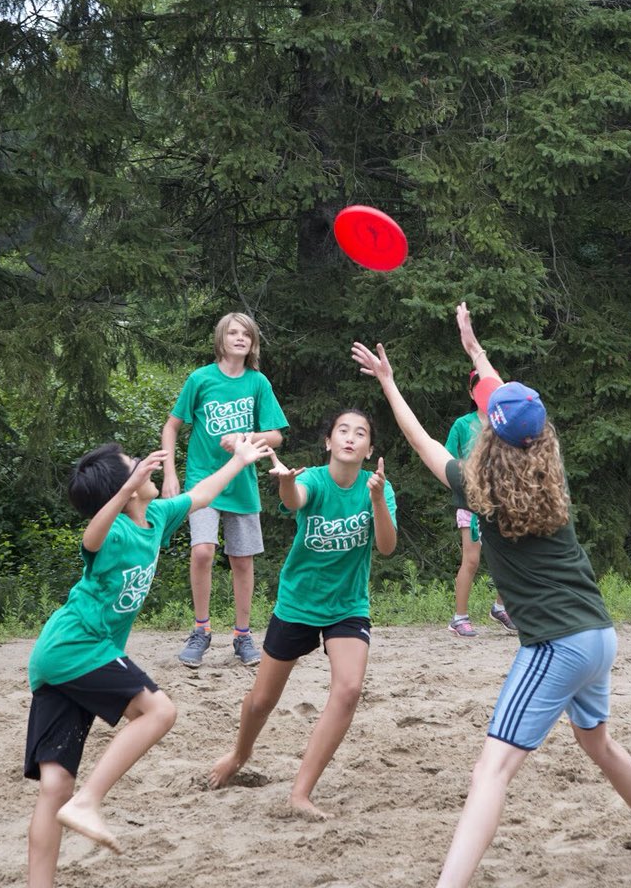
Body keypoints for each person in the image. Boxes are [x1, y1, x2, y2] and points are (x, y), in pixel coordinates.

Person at [352, 305, 631, 885]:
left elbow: (421, 439)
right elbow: (505, 401)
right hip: (599, 634)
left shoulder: (477, 486)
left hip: (556, 646)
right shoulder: (550, 471)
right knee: (602, 747)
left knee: (490, 771)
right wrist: (474, 349)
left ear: (490, 431)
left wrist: (388, 382)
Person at [25, 435, 272, 886]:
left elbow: (203, 494)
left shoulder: (155, 516)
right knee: (159, 711)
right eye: (136, 466)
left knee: (55, 785)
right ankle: (89, 802)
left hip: (61, 659)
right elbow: (91, 535)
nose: (147, 468)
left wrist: (238, 460)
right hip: (77, 648)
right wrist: (123, 491)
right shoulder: (113, 529)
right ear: (124, 487)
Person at [208, 409, 397, 819]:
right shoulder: (312, 478)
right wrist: (288, 483)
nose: (350, 437)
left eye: (360, 433)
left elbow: (385, 547)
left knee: (348, 691)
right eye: (342, 430)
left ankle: (300, 792)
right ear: (328, 442)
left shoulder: (377, 487)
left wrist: (379, 499)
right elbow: (296, 500)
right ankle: (240, 754)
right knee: (261, 701)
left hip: (347, 606)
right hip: (298, 603)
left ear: (369, 448)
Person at [161, 312, 288, 667]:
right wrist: (170, 474)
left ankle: (243, 636)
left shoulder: (257, 383)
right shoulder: (200, 379)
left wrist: (245, 437)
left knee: (242, 560)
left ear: (253, 343)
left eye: (246, 334)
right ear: (221, 339)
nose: (239, 338)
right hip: (202, 480)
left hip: (242, 482)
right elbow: (171, 427)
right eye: (233, 333)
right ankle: (200, 631)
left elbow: (276, 435)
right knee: (202, 551)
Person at [444, 371, 516, 638]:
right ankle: (459, 617)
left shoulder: (503, 423)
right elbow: (446, 460)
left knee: (510, 558)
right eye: (480, 389)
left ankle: (500, 608)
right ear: (471, 393)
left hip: (501, 504)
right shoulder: (463, 424)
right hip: (469, 504)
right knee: (471, 560)